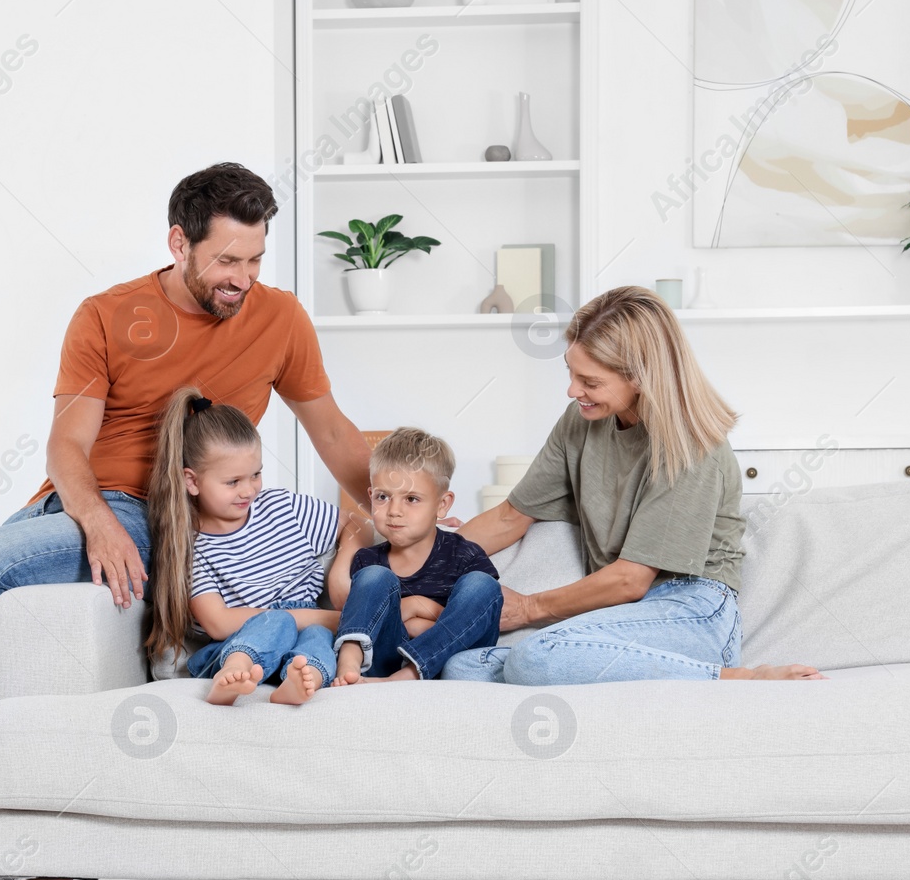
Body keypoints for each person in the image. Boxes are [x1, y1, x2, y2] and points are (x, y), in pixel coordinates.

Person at [0, 163, 371, 880]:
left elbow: (341, 440)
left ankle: (40, 800)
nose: (243, 279)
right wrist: (94, 518)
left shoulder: (280, 320)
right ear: (179, 243)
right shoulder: (107, 315)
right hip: (74, 507)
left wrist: (414, 507)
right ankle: (35, 845)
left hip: (160, 509)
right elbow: (66, 444)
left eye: (255, 260)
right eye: (226, 261)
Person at [447, 286, 824, 684]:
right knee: (460, 666)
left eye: (590, 381)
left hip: (693, 610)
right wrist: (418, 566)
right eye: (571, 373)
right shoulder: (579, 423)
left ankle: (736, 679)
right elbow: (509, 517)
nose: (573, 391)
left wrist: (528, 609)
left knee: (534, 658)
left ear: (641, 377)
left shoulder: (693, 446)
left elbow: (630, 580)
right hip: (621, 617)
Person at [146, 387, 368, 705]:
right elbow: (218, 622)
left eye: (256, 475)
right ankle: (233, 675)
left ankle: (302, 679)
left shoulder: (282, 508)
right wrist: (321, 617)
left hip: (303, 637)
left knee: (319, 639)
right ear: (192, 481)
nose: (249, 490)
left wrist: (341, 570)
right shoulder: (191, 545)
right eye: (233, 482)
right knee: (278, 622)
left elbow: (358, 525)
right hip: (239, 644)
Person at [332, 428, 502, 684]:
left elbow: (480, 618)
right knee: (374, 577)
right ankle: (349, 666)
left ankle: (409, 674)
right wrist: (410, 620)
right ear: (371, 498)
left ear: (442, 504)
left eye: (411, 499)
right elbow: (371, 619)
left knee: (483, 585)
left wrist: (417, 612)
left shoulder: (465, 555)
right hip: (385, 657)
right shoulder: (367, 561)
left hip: (454, 656)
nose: (394, 511)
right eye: (383, 497)